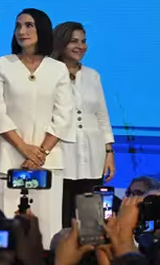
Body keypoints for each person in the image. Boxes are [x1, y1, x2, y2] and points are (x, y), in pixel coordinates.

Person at [0, 8, 74, 247]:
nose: (22, 31)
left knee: (46, 229)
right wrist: (24, 148)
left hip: (48, 162)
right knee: (8, 229)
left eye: (29, 25)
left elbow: (64, 114)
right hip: (9, 158)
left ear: (41, 29)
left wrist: (40, 153)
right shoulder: (1, 65)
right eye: (18, 26)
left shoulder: (57, 69)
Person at [52, 21, 116, 227]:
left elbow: (102, 115)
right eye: (74, 41)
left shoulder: (92, 75)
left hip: (92, 153)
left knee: (90, 220)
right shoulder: (49, 73)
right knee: (62, 218)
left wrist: (109, 151)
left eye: (83, 41)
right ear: (61, 44)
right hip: (61, 153)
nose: (81, 46)